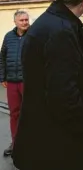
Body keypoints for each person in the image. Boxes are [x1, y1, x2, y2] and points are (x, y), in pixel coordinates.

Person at [12, 0, 83, 170]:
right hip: (56, 142)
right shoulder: (62, 31)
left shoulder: (47, 22)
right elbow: (63, 93)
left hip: (41, 136)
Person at [0, 10, 29, 157]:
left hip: (28, 82)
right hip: (12, 81)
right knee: (14, 113)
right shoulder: (8, 37)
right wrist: (2, 77)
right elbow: (2, 58)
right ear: (15, 22)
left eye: (26, 20)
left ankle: (30, 144)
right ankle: (15, 143)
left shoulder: (33, 36)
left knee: (29, 113)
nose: (25, 22)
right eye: (22, 20)